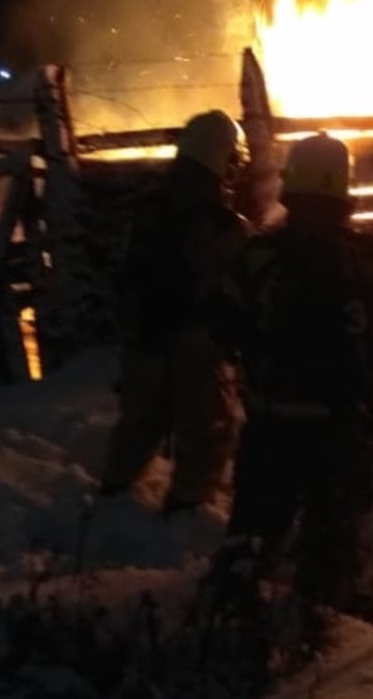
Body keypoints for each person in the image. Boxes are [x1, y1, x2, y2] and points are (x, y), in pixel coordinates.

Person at [216, 132, 373, 617]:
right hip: (343, 424)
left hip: (271, 422)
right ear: (343, 190)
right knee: (334, 532)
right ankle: (325, 620)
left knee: (255, 526)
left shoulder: (259, 255)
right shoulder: (372, 256)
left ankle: (229, 618)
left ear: (290, 187)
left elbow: (224, 321)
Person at [98, 109, 250, 519]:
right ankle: (185, 514)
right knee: (207, 431)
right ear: (224, 159)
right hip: (196, 344)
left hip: (142, 337)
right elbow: (240, 286)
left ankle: (109, 502)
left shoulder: (147, 209)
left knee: (139, 424)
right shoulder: (225, 225)